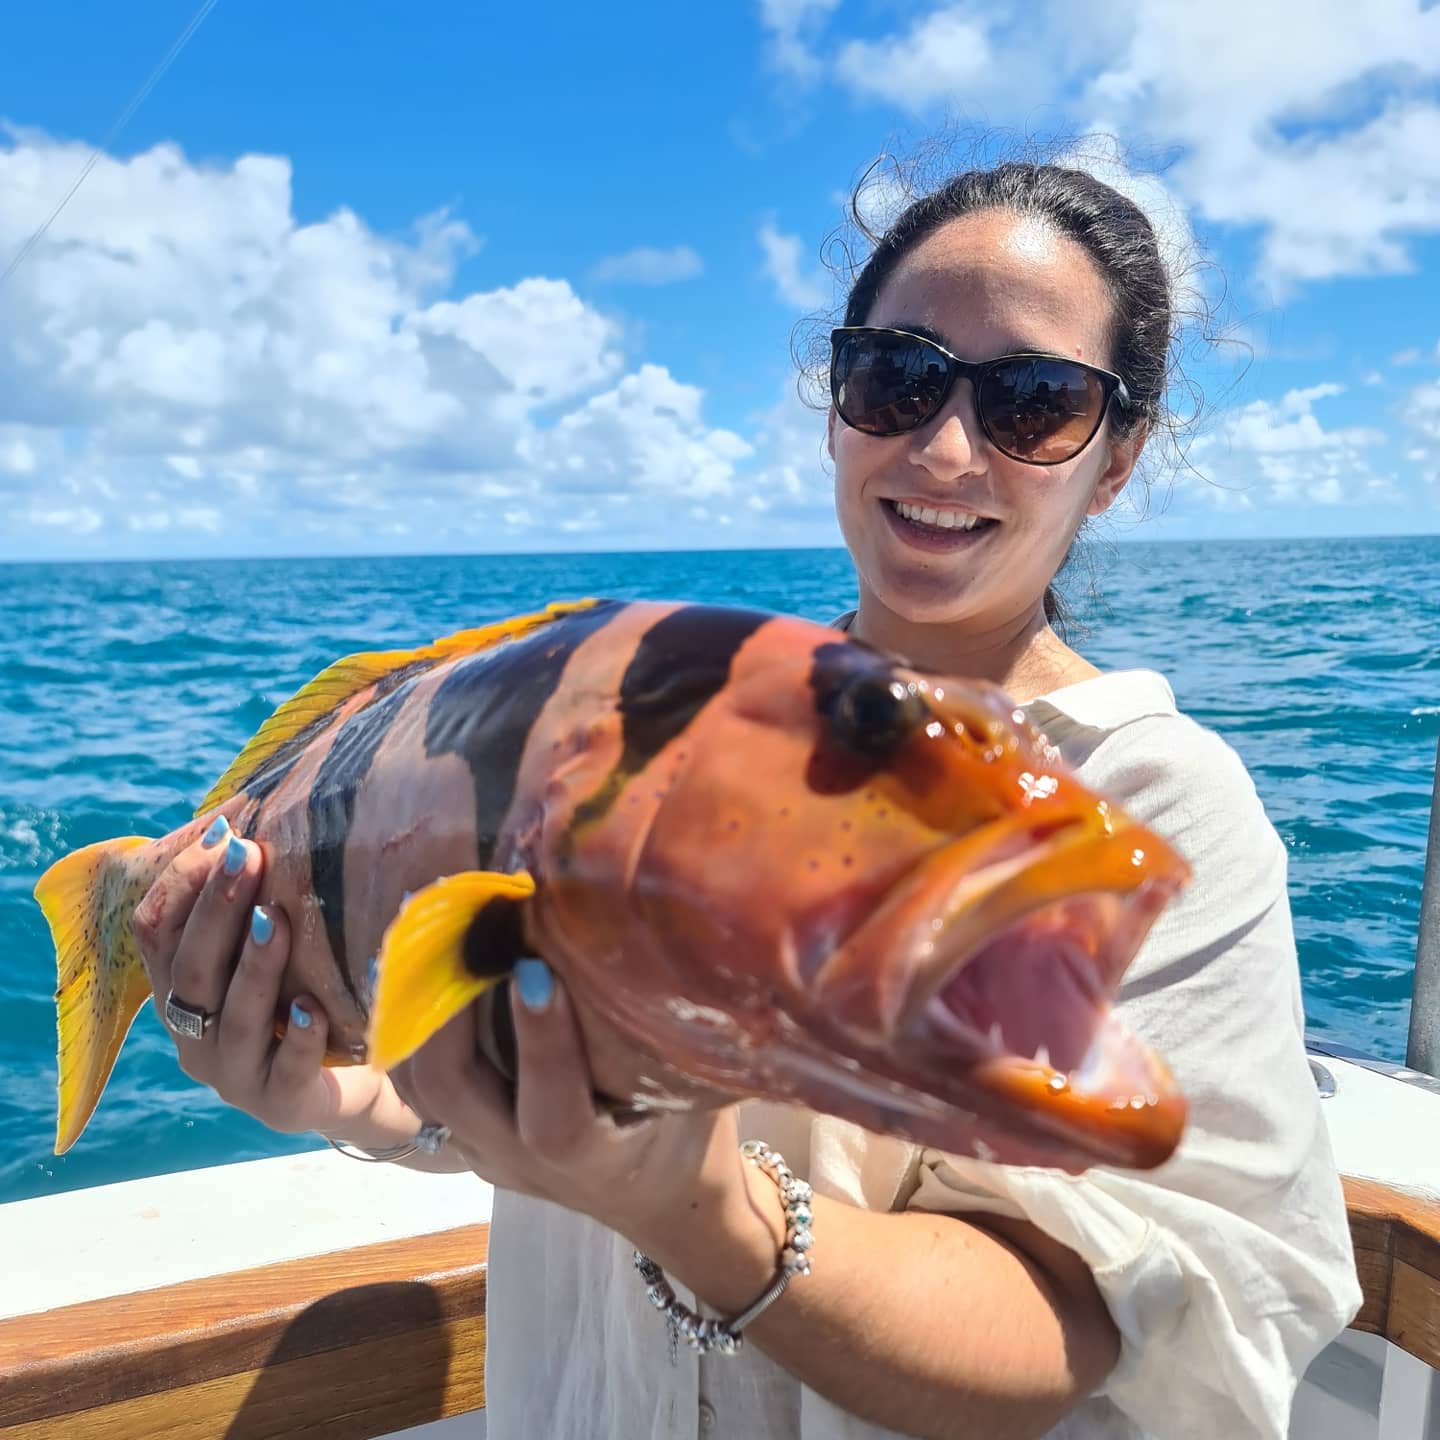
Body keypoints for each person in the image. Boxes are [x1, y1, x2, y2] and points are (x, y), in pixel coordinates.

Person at [131, 155, 1362, 1439]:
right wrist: (331, 1084)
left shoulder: (1153, 799)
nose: (944, 447)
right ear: (838, 404)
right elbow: (502, 1071)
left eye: (1036, 405)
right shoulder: (695, 728)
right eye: (898, 377)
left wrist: (698, 1210)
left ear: (1114, 460)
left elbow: (1082, 1312)